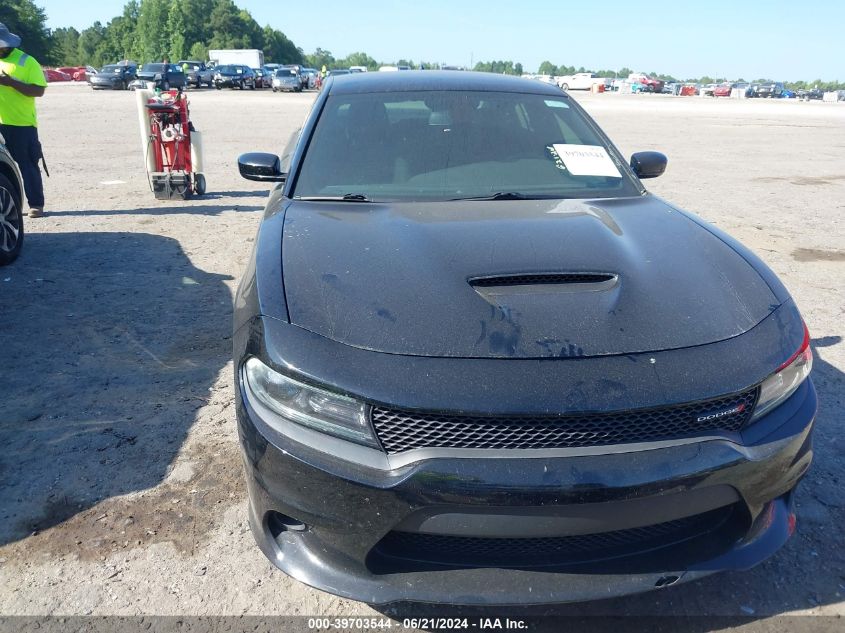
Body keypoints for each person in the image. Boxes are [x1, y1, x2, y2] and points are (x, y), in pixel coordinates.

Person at [0, 23, 48, 218]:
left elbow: (39, 90)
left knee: (27, 166)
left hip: (22, 125)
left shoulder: (27, 62)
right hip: (0, 124)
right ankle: (8, 205)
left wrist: (10, 82)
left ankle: (36, 204)